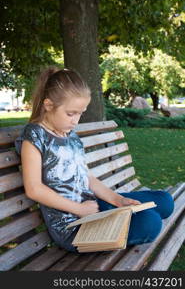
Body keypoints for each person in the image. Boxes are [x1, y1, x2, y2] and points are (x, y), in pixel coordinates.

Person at [15, 67, 174, 252]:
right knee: (150, 222)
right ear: (48, 105)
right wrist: (78, 209)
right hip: (73, 227)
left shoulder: (71, 136)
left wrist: (118, 200)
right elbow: (34, 189)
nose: (76, 120)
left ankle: (122, 211)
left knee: (165, 200)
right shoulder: (35, 136)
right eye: (70, 113)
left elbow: (87, 178)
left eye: (80, 113)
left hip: (93, 209)